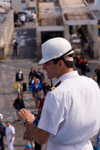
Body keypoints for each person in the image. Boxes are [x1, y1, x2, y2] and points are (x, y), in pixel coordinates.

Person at [18, 37, 100, 150]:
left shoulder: (57, 94)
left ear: (60, 64)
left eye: (47, 63)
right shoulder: (92, 84)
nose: (43, 67)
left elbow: (41, 138)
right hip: (86, 145)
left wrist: (28, 121)